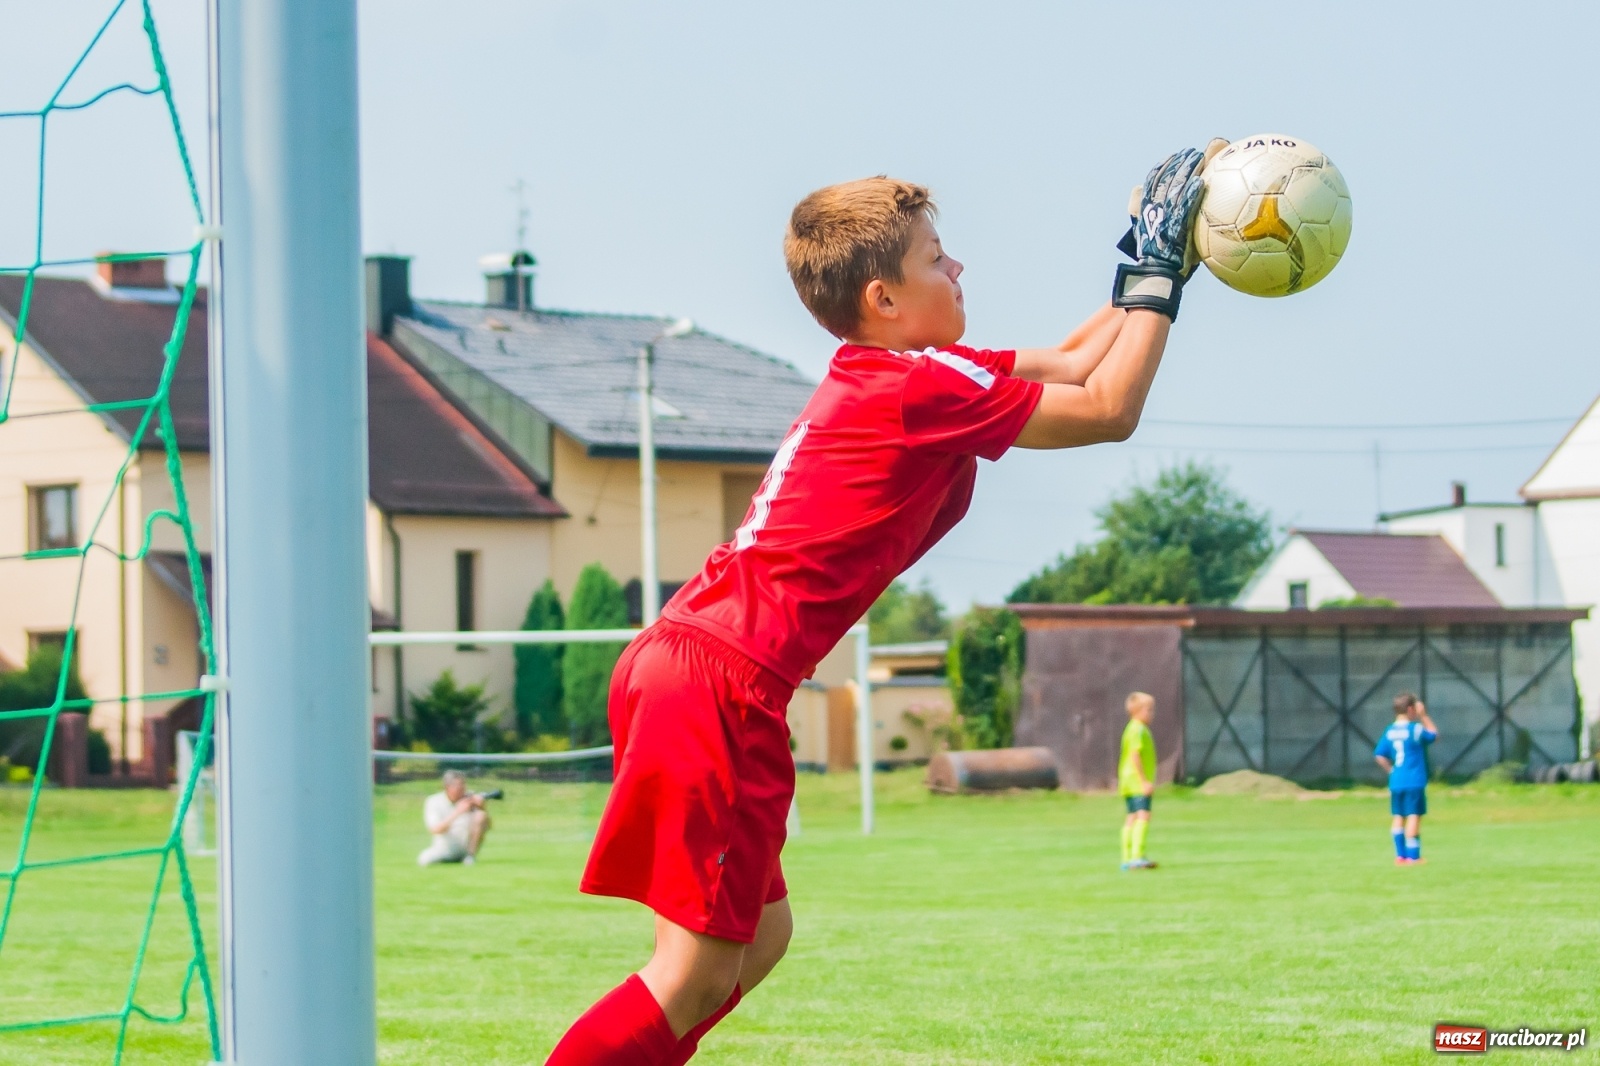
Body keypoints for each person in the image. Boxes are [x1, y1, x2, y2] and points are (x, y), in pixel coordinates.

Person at [545, 143, 1224, 1065]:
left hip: (699, 665)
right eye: (936, 258)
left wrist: (1152, 261)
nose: (958, 267)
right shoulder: (917, 387)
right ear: (885, 300)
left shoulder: (911, 374)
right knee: (692, 972)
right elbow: (1108, 407)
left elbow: (1073, 360)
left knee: (760, 942)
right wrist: (1158, 281)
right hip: (717, 680)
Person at [1374, 692, 1438, 865]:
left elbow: (1379, 755)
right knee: (1413, 816)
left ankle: (1400, 856)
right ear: (1411, 709)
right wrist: (1424, 716)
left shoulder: (1390, 730)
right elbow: (1433, 735)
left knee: (1398, 816)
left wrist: (1391, 770)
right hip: (1413, 780)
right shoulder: (1414, 729)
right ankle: (1413, 856)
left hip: (1396, 780)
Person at [418, 769, 491, 867]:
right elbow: (435, 830)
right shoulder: (433, 801)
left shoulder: (470, 799)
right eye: (458, 786)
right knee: (423, 860)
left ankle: (470, 857)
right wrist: (458, 812)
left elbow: (488, 826)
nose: (462, 789)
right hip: (445, 848)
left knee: (480, 815)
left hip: (466, 847)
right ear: (447, 787)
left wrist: (482, 808)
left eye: (463, 785)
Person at [1118, 692, 1158, 870]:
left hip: (1127, 780)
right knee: (1143, 815)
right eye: (1149, 710)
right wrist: (1144, 781)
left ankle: (1126, 858)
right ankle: (1137, 856)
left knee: (1132, 816)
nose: (1152, 714)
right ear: (1137, 711)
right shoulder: (1138, 729)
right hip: (1136, 781)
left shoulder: (1130, 728)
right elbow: (1135, 755)